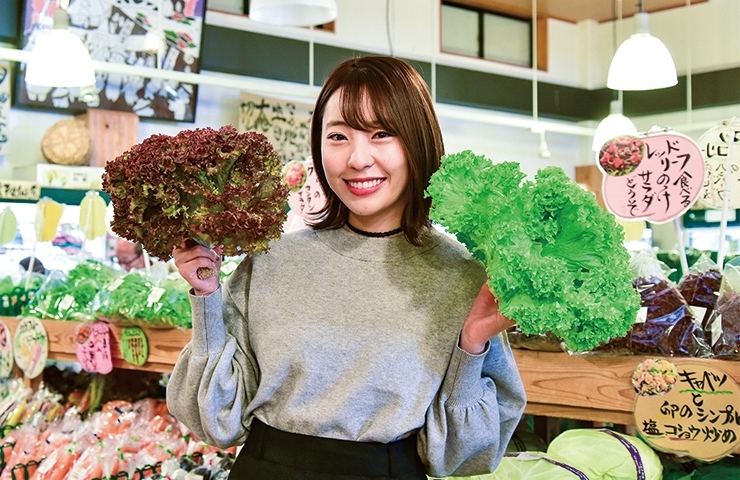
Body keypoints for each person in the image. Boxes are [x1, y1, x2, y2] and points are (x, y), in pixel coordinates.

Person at [166, 55, 526, 479]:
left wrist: (472, 344)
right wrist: (207, 296)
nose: (357, 159)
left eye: (381, 134)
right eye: (338, 136)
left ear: (419, 141)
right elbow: (216, 421)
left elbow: (464, 458)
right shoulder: (272, 259)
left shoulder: (464, 276)